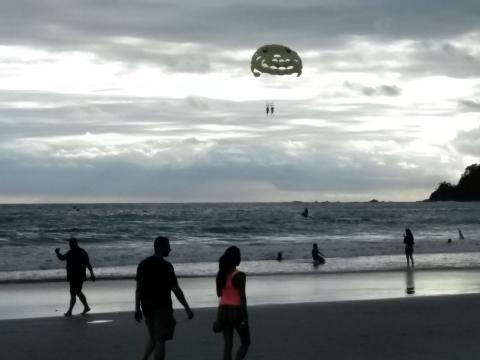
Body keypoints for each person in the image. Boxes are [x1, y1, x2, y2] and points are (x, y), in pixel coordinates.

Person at [135, 236, 194, 360]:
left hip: (146, 307)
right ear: (161, 247)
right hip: (162, 307)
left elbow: (138, 289)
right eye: (168, 246)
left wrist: (137, 308)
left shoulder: (143, 264)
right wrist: (187, 308)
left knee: (153, 337)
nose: (170, 249)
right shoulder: (166, 266)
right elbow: (176, 289)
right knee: (160, 339)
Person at [216, 246, 250, 360]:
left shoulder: (220, 275)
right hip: (235, 310)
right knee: (246, 342)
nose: (240, 258)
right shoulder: (240, 275)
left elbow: (219, 294)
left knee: (228, 344)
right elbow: (242, 297)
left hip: (222, 310)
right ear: (235, 258)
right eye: (239, 256)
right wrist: (245, 317)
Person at [55, 237, 96, 317]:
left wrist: (92, 275)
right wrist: (57, 253)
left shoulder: (80, 252)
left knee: (73, 292)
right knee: (77, 292)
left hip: (76, 276)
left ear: (75, 244)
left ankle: (69, 311)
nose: (70, 245)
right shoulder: (78, 252)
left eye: (71, 244)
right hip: (74, 275)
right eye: (70, 244)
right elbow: (62, 258)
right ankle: (86, 307)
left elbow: (88, 265)